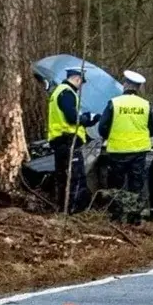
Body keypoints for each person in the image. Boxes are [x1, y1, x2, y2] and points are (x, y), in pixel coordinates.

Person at [98, 70, 153, 224]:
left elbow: (102, 128)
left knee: (116, 185)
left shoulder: (114, 103)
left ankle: (116, 217)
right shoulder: (145, 105)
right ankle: (134, 218)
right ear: (138, 88)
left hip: (117, 151)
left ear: (124, 85)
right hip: (138, 151)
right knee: (136, 185)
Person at [47, 67, 100, 213]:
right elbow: (72, 118)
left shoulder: (58, 91)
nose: (81, 86)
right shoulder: (67, 93)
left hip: (59, 140)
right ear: (77, 79)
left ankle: (62, 209)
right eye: (81, 82)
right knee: (76, 178)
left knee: (62, 177)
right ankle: (74, 211)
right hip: (68, 140)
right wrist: (88, 119)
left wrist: (87, 120)